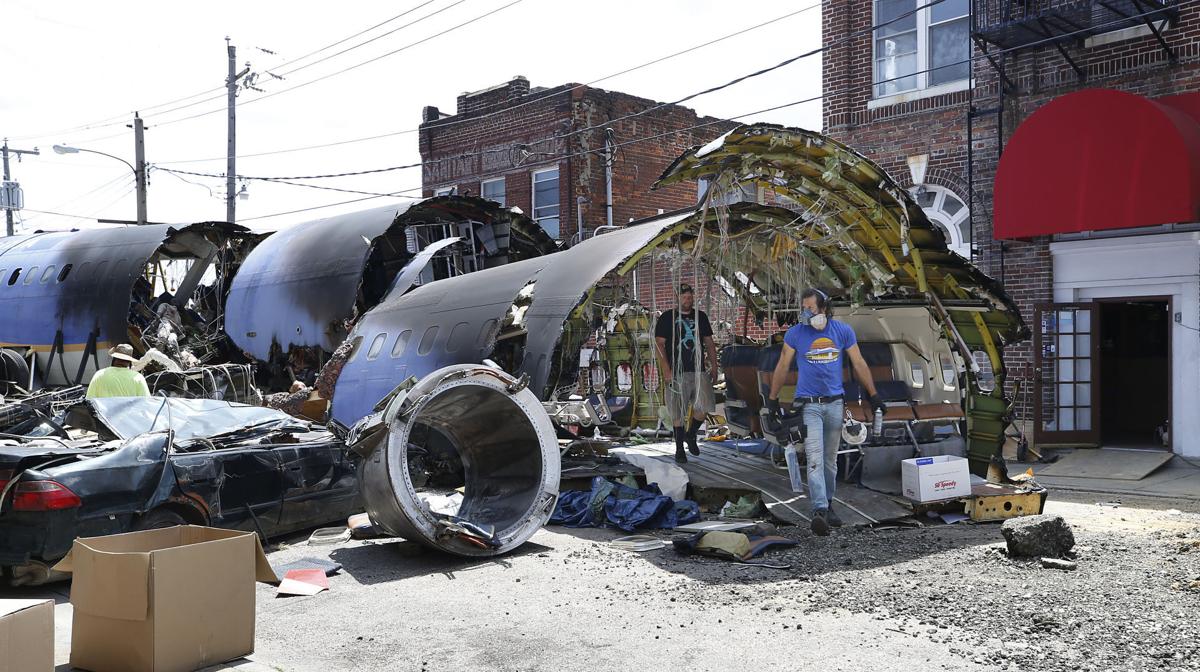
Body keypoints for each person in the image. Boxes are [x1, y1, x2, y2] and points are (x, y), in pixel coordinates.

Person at [766, 288, 884, 536]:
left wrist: (874, 396)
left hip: (835, 404)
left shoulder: (842, 331)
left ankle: (828, 505)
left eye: (810, 308)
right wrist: (772, 399)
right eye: (804, 307)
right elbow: (783, 365)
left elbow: (859, 362)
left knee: (830, 460)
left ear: (824, 308)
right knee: (816, 457)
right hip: (809, 405)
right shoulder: (795, 333)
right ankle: (818, 509)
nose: (805, 312)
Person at [654, 284, 719, 463]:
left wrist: (714, 366)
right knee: (677, 412)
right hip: (677, 371)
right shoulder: (668, 318)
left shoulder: (701, 317)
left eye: (690, 297)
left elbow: (709, 343)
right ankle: (679, 449)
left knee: (703, 407)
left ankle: (690, 435)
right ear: (677, 297)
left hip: (698, 370)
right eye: (684, 297)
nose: (687, 300)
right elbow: (659, 344)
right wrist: (666, 369)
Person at [86, 344, 151, 399]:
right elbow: (145, 401)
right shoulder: (138, 377)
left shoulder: (99, 374)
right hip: (128, 414)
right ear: (129, 362)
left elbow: (89, 399)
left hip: (103, 414)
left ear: (114, 359)